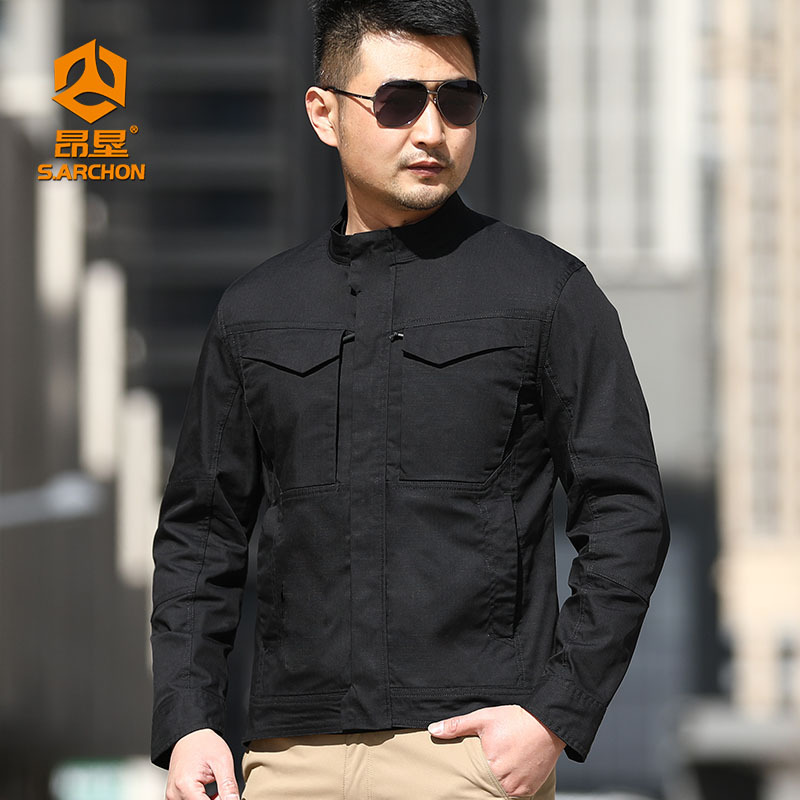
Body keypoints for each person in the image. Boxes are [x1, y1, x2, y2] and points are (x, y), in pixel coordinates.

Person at [150, 1, 670, 799]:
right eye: (398, 102)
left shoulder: (545, 292)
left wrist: (554, 714)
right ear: (323, 113)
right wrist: (189, 722)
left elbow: (626, 511)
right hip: (287, 758)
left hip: (469, 753)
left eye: (456, 101)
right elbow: (202, 534)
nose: (432, 131)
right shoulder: (256, 312)